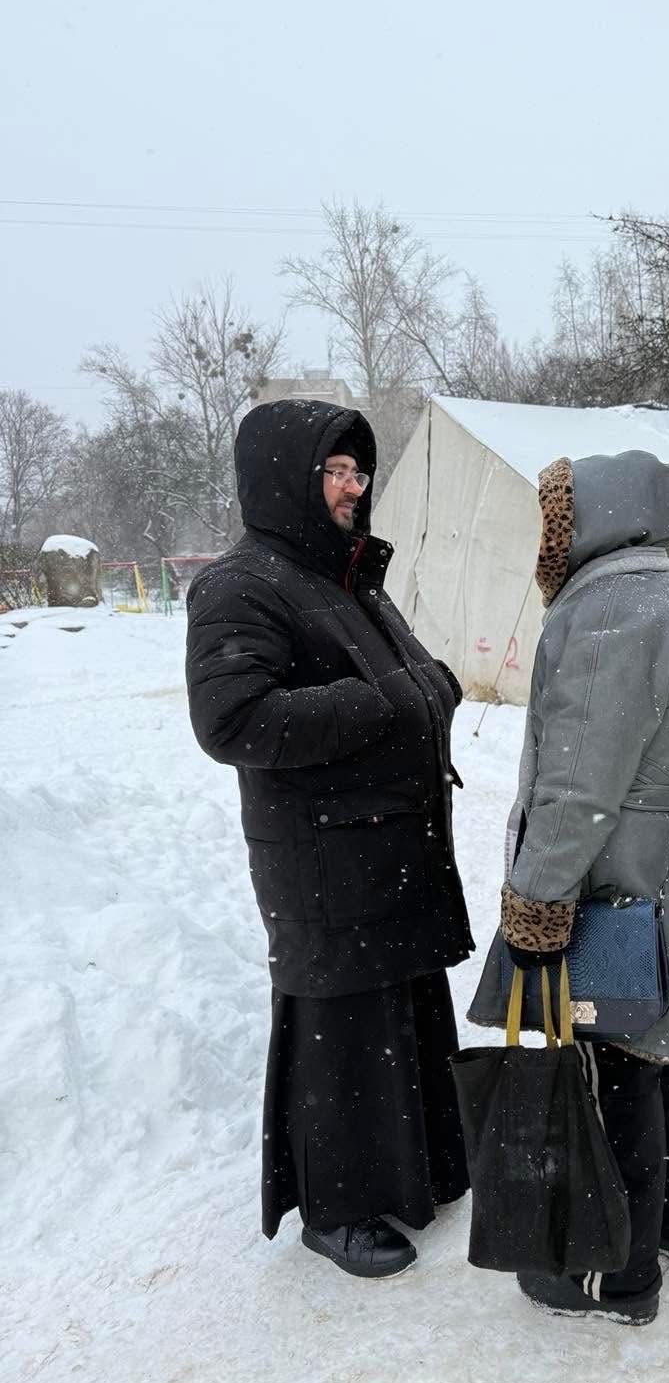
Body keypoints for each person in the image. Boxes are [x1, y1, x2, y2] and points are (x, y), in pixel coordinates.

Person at [185, 399, 473, 1279]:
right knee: (345, 1032)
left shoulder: (346, 573)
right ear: (286, 480)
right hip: (322, 858)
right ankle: (337, 1210)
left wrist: (429, 687)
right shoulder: (240, 585)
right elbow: (232, 719)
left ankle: (421, 1167)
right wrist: (383, 704)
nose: (353, 488)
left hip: (385, 842)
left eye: (357, 472)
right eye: (334, 472)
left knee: (401, 1007)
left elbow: (400, 673)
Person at [468, 450, 669, 1327]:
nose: (547, 536)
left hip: (616, 873)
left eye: (554, 516)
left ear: (590, 518)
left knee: (611, 1067)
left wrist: (536, 903)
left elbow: (578, 785)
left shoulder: (612, 610)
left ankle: (616, 1272)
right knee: (664, 1047)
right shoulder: (668, 594)